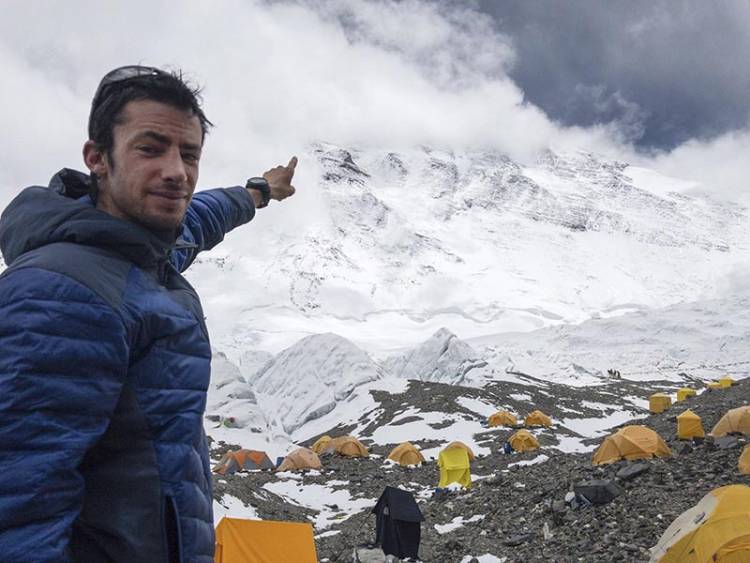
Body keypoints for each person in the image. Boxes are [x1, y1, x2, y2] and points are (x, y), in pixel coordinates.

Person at [0, 65, 296, 562]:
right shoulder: (61, 293)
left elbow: (199, 219)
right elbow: (18, 508)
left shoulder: (140, 254)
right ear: (97, 157)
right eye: (151, 148)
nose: (177, 170)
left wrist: (258, 192)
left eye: (189, 154)